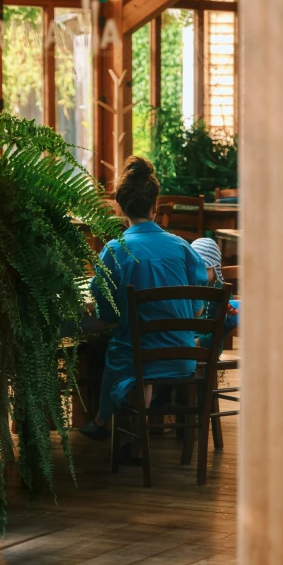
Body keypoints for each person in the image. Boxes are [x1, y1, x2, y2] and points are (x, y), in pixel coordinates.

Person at [80, 156, 208, 442]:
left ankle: (103, 422)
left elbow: (105, 308)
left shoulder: (114, 250)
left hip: (136, 361)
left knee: (116, 348)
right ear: (155, 206)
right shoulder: (181, 247)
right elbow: (198, 308)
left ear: (120, 208)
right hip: (182, 357)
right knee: (132, 347)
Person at [190, 238, 239, 352]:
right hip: (184, 344)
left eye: (205, 269)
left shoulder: (222, 292)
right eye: (196, 269)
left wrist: (198, 342)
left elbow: (224, 329)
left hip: (209, 349)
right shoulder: (189, 287)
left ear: (216, 269)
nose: (199, 275)